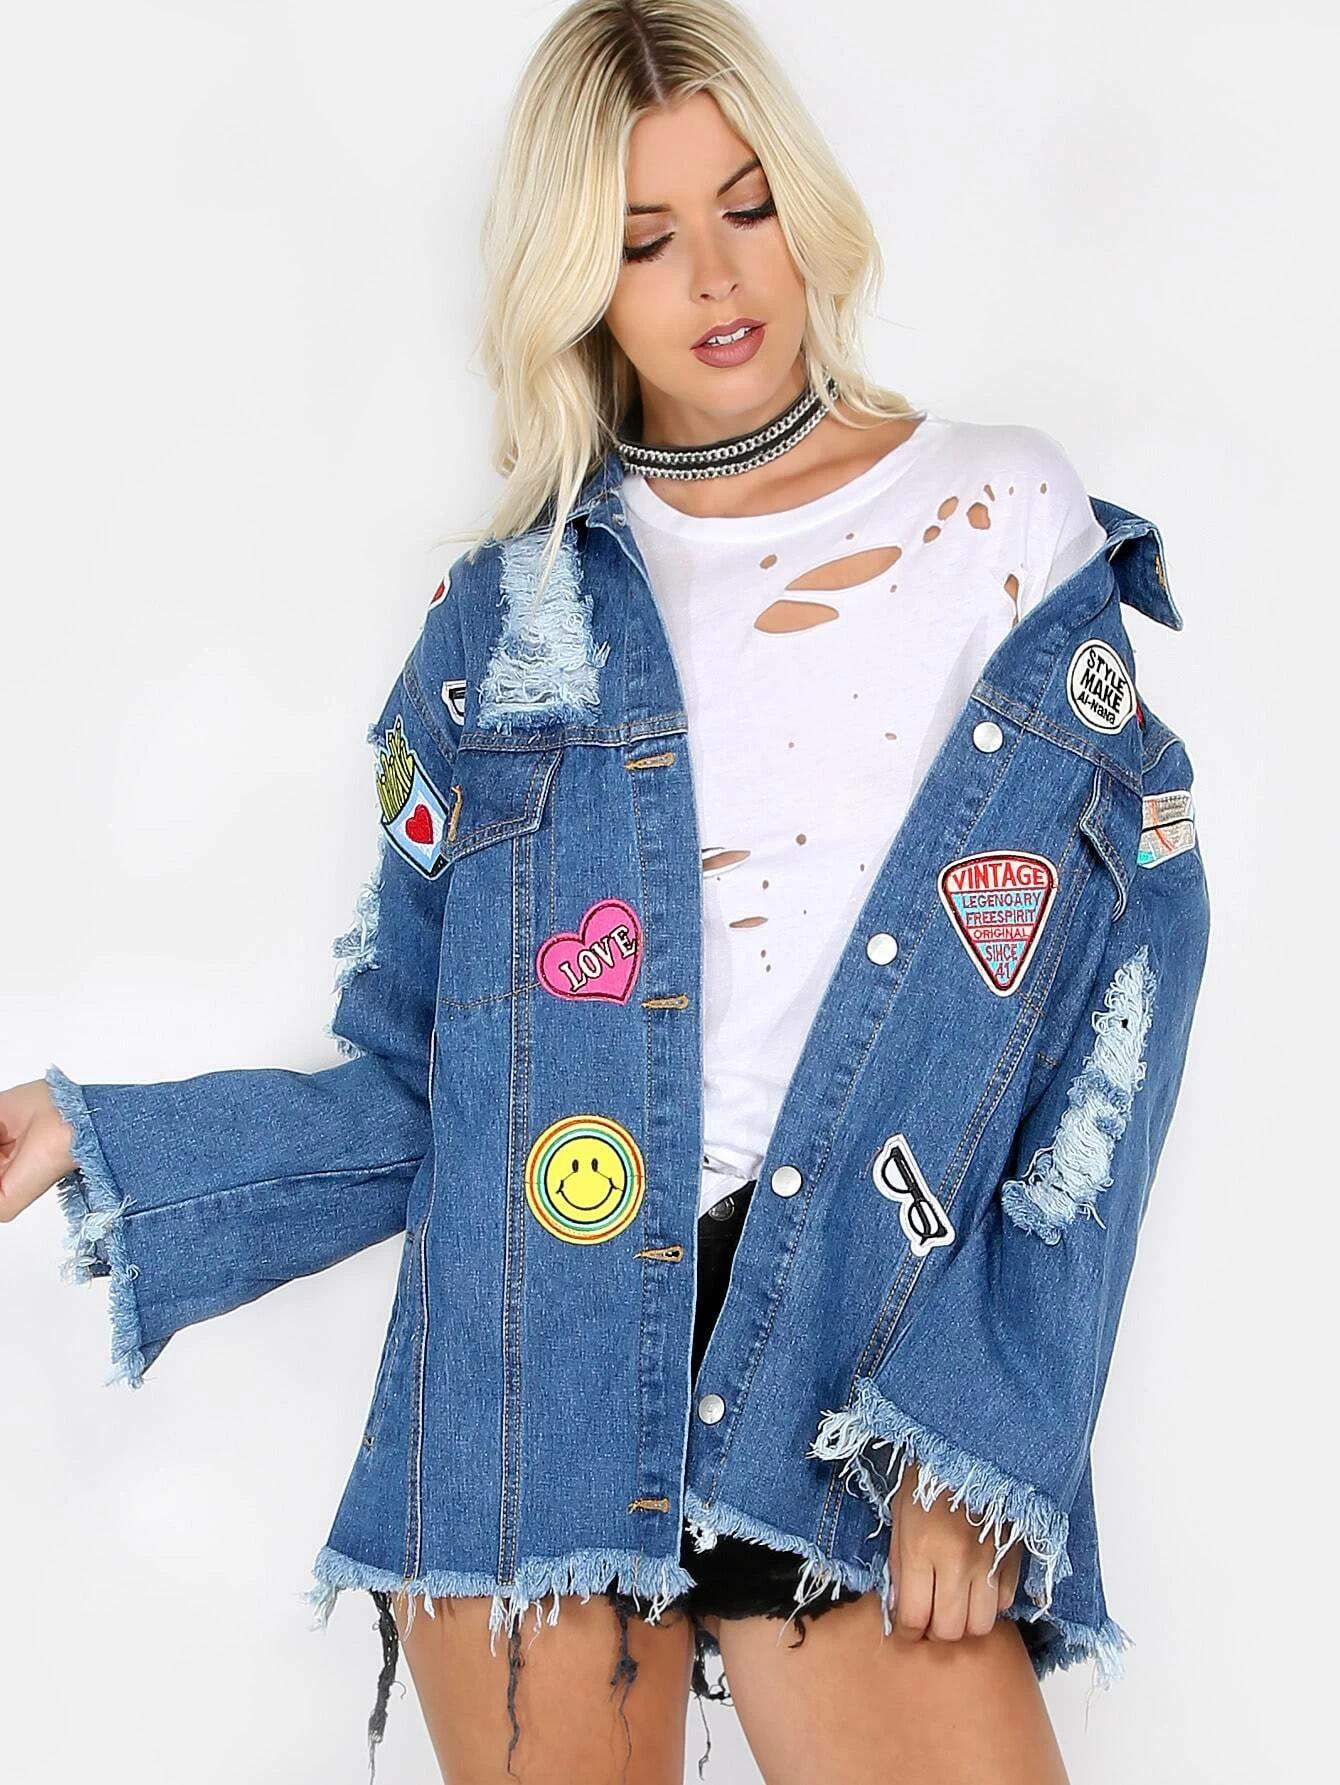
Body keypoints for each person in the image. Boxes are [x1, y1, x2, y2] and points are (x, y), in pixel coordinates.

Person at [0, 4, 1209, 1783]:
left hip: (859, 1366)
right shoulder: (503, 628)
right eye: (645, 241)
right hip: (533, 1381)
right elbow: (420, 1083)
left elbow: (1129, 987)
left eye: (746, 206)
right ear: (578, 281)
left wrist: (986, 1421)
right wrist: (94, 1135)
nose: (717, 275)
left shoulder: (1001, 514)